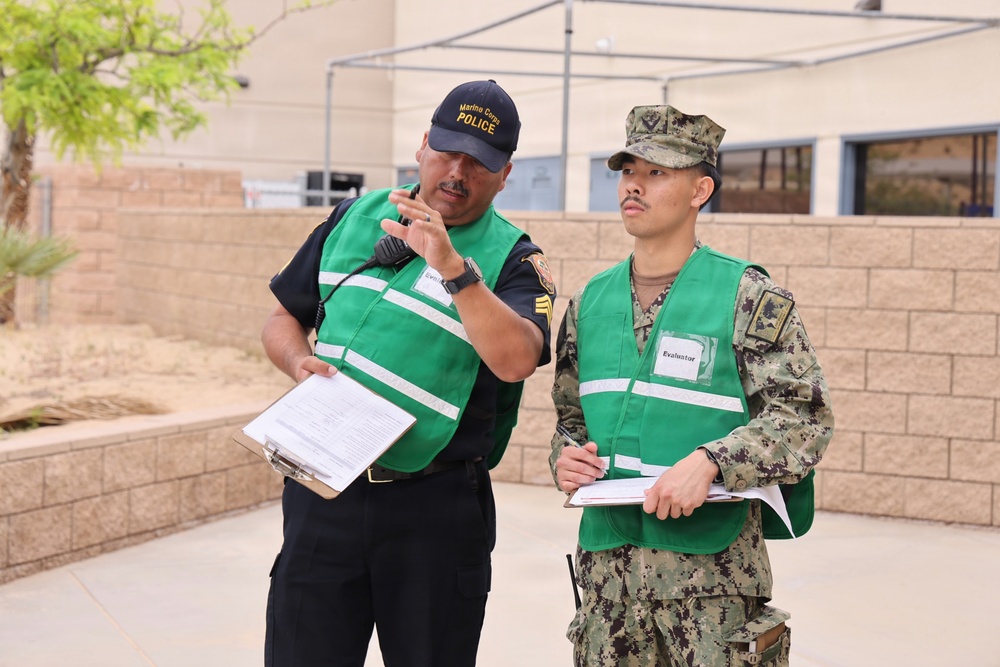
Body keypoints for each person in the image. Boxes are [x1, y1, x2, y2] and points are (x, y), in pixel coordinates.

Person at [261, 79, 556, 667]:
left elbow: (518, 358)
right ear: (423, 144)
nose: (456, 172)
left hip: (436, 510)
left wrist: (452, 266)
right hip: (325, 489)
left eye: (478, 163)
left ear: (506, 174)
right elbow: (281, 318)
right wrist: (298, 362)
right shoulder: (352, 218)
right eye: (447, 152)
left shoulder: (514, 260)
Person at [550, 105, 834, 667]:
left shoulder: (746, 296)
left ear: (701, 189)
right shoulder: (589, 303)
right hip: (608, 582)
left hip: (712, 585)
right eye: (628, 170)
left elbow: (803, 420)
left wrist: (712, 460)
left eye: (657, 172)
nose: (634, 184)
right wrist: (566, 458)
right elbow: (569, 417)